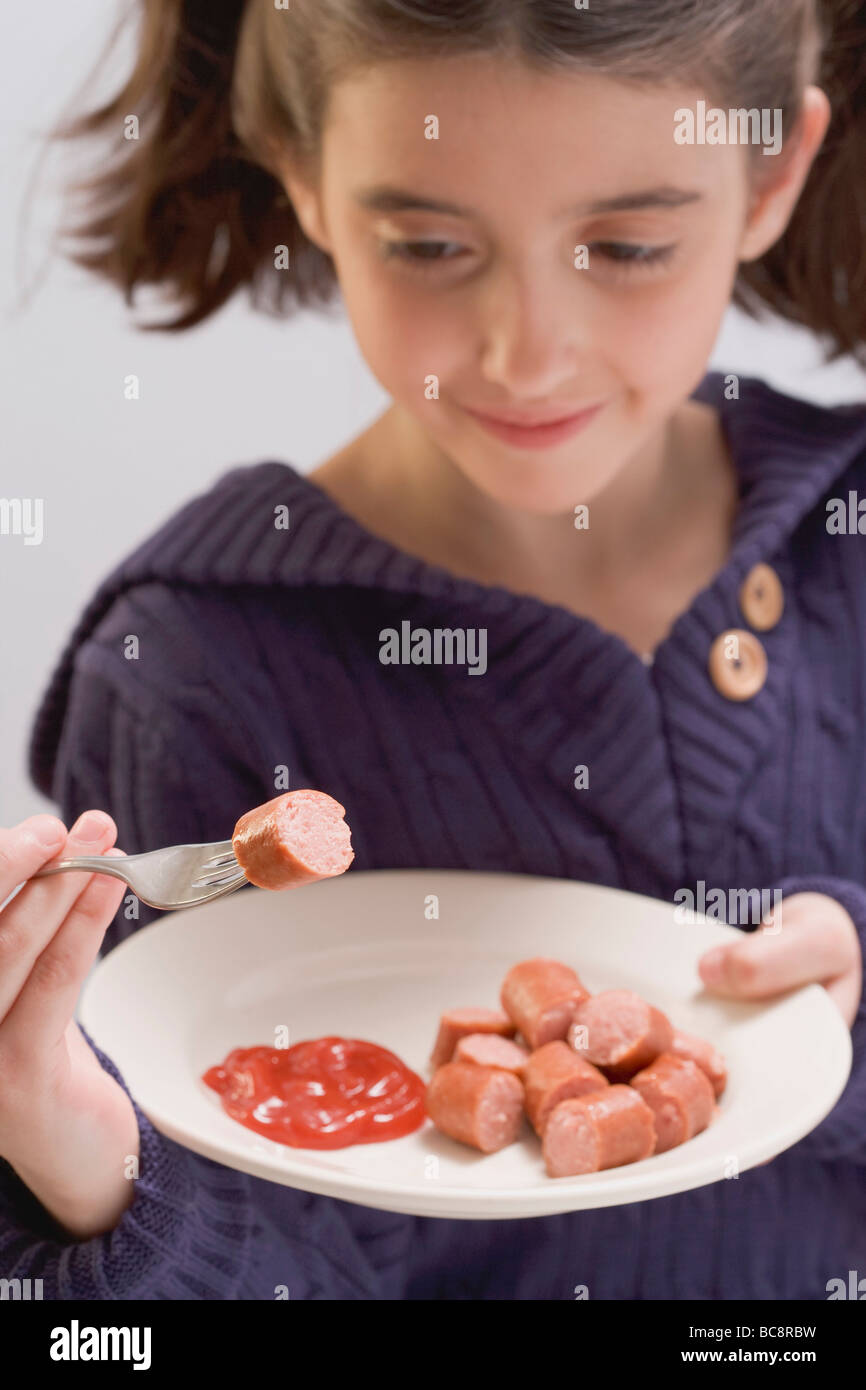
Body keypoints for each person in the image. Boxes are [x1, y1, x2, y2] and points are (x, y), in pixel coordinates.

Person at [2, 0, 866, 1299]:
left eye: (627, 244)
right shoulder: (196, 673)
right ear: (300, 169)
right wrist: (100, 1179)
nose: (526, 353)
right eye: (427, 243)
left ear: (772, 171)